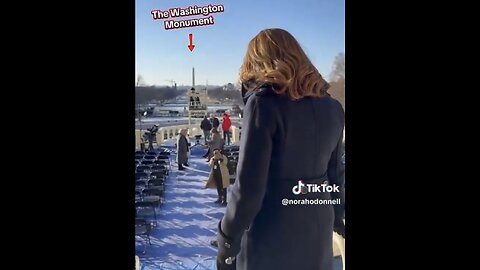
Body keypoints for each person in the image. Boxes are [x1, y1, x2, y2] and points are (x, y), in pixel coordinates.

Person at [216, 28, 345, 270]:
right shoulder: (334, 108)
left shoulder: (263, 105)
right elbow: (336, 173)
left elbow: (248, 189)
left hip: (273, 232)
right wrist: (337, 216)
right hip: (317, 225)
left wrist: (227, 242)